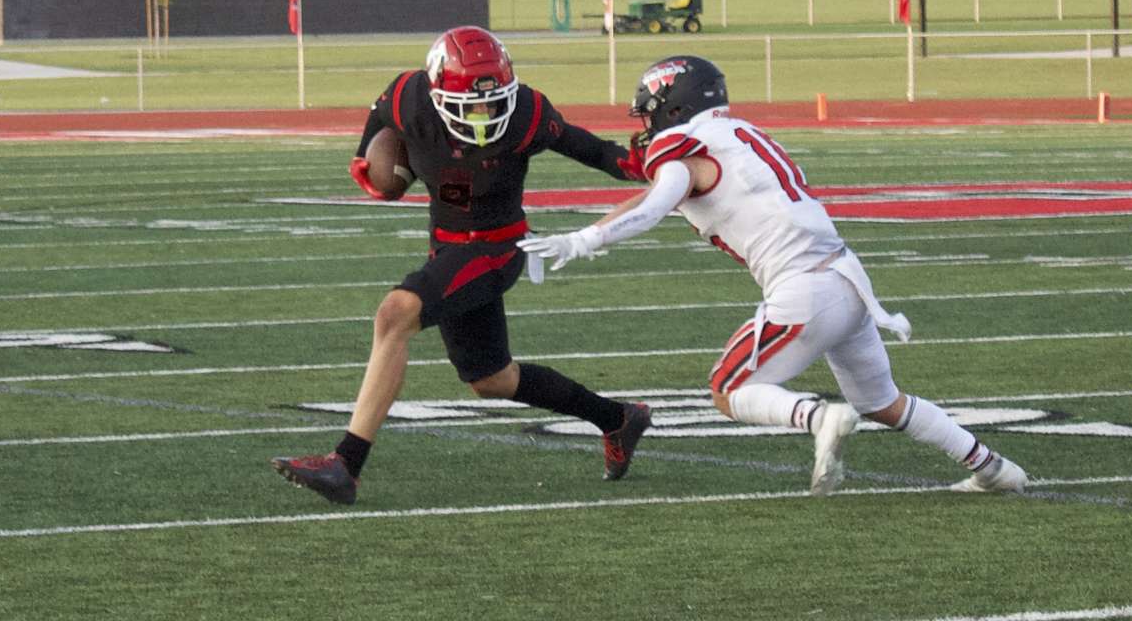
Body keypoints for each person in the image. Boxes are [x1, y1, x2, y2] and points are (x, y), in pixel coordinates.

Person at [518, 55, 1028, 496]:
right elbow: (654, 199)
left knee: (727, 388)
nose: (648, 126)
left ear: (674, 106)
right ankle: (992, 468)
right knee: (882, 402)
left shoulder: (683, 147)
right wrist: (586, 231)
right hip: (848, 280)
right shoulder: (737, 134)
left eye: (652, 113)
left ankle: (815, 416)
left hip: (803, 288)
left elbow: (654, 206)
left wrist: (583, 241)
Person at [272, 26, 652, 505]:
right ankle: (617, 418)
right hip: (447, 247)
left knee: (394, 314)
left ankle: (345, 463)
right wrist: (380, 170)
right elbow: (375, 153)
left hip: (498, 246)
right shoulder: (409, 95)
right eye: (472, 104)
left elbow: (593, 150)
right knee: (491, 379)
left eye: (494, 102)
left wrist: (646, 164)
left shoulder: (527, 112)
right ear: (437, 94)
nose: (486, 112)